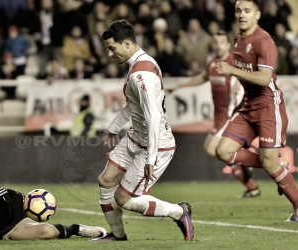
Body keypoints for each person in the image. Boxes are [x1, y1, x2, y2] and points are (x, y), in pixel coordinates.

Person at [91, 20, 194, 242]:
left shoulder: (141, 74)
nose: (109, 54)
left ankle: (179, 212)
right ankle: (117, 235)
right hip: (135, 138)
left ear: (126, 43)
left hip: (154, 145)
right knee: (106, 180)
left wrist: (150, 157)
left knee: (124, 199)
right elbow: (135, 106)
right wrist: (114, 127)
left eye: (112, 48)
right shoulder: (142, 63)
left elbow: (153, 115)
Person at [214, 0, 298, 221]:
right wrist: (241, 105)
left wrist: (231, 69)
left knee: (267, 161)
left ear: (257, 15)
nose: (242, 15)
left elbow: (264, 78)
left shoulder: (264, 41)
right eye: (238, 11)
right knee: (222, 151)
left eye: (247, 11)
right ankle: (277, 166)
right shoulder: (238, 39)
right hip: (249, 104)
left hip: (268, 105)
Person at [168, 30, 261, 198]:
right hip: (219, 116)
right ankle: (251, 186)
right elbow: (203, 77)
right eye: (215, 42)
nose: (218, 45)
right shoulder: (212, 63)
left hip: (231, 114)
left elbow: (252, 75)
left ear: (228, 45)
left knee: (212, 149)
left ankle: (246, 160)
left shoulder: (234, 61)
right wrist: (180, 87)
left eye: (221, 42)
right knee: (217, 152)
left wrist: (242, 86)